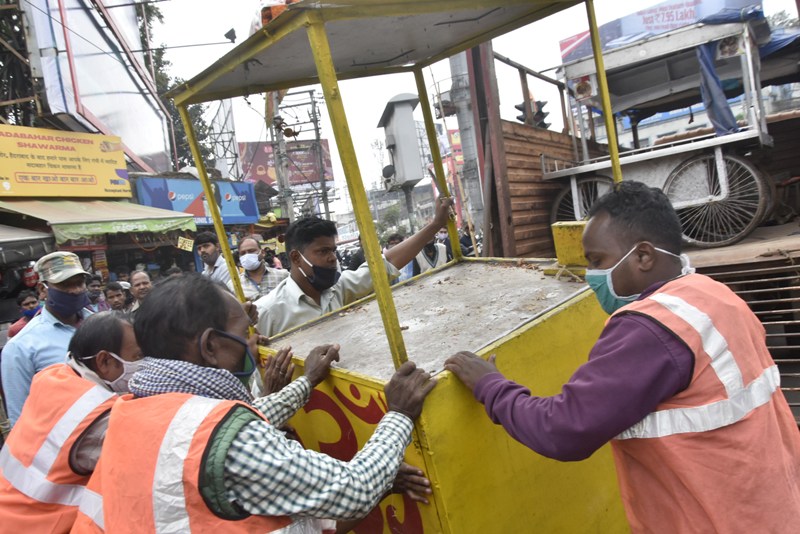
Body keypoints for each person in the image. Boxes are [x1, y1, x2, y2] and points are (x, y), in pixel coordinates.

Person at [444, 181, 800, 533]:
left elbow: (564, 429)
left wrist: (491, 386)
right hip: (772, 510)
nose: (591, 276)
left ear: (643, 256)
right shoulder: (714, 294)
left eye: (597, 260)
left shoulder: (650, 329)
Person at [71, 274, 436, 532]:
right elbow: (354, 490)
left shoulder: (132, 408)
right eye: (244, 333)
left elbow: (243, 419)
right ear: (210, 346)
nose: (253, 342)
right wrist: (399, 413)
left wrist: (307, 382)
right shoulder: (230, 440)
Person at [0, 312, 142, 533]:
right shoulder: (99, 418)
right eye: (138, 357)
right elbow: (145, 466)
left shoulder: (53, 376)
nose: (144, 365)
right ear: (104, 361)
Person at [256, 197, 454, 337]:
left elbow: (387, 263)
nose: (332, 258)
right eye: (323, 251)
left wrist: (436, 224)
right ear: (296, 258)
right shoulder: (268, 311)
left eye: (333, 250)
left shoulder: (338, 289)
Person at [1, 251, 92, 426]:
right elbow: (21, 421)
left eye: (79, 283)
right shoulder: (20, 347)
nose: (75, 290)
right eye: (65, 284)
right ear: (42, 290)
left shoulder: (101, 325)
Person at [227, 234, 289, 301]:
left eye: (251, 251)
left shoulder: (283, 276)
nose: (247, 255)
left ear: (262, 253)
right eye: (243, 253)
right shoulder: (234, 285)